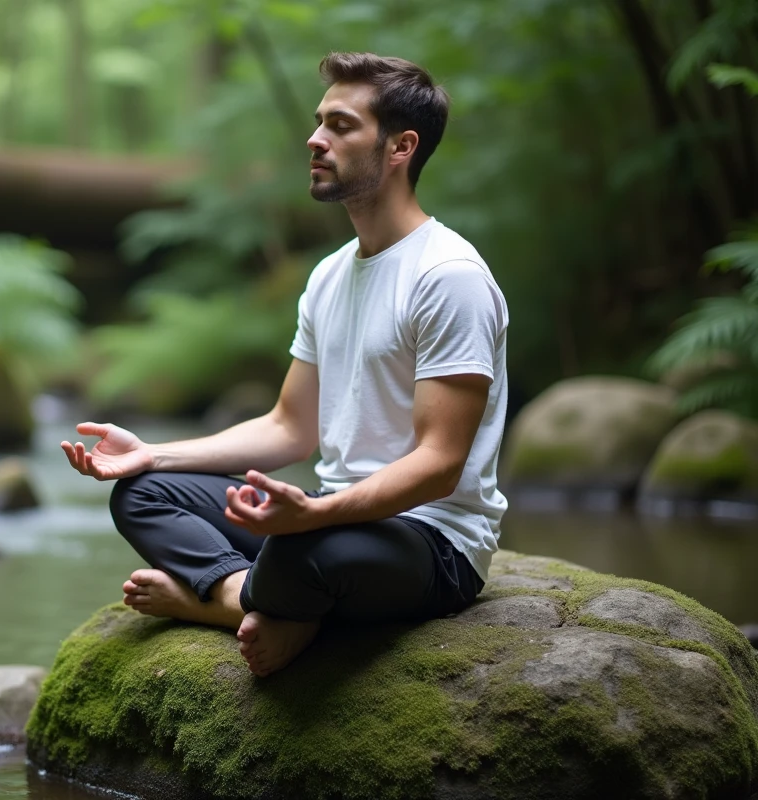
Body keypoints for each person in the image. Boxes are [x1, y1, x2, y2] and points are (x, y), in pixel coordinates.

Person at [60, 52, 509, 677]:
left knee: (301, 557)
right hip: (332, 515)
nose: (315, 138)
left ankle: (212, 602)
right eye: (319, 121)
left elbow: (439, 465)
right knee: (143, 495)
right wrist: (154, 454)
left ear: (401, 146)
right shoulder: (329, 276)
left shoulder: (448, 277)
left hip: (431, 542)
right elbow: (288, 428)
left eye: (341, 126)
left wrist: (314, 515)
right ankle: (257, 602)